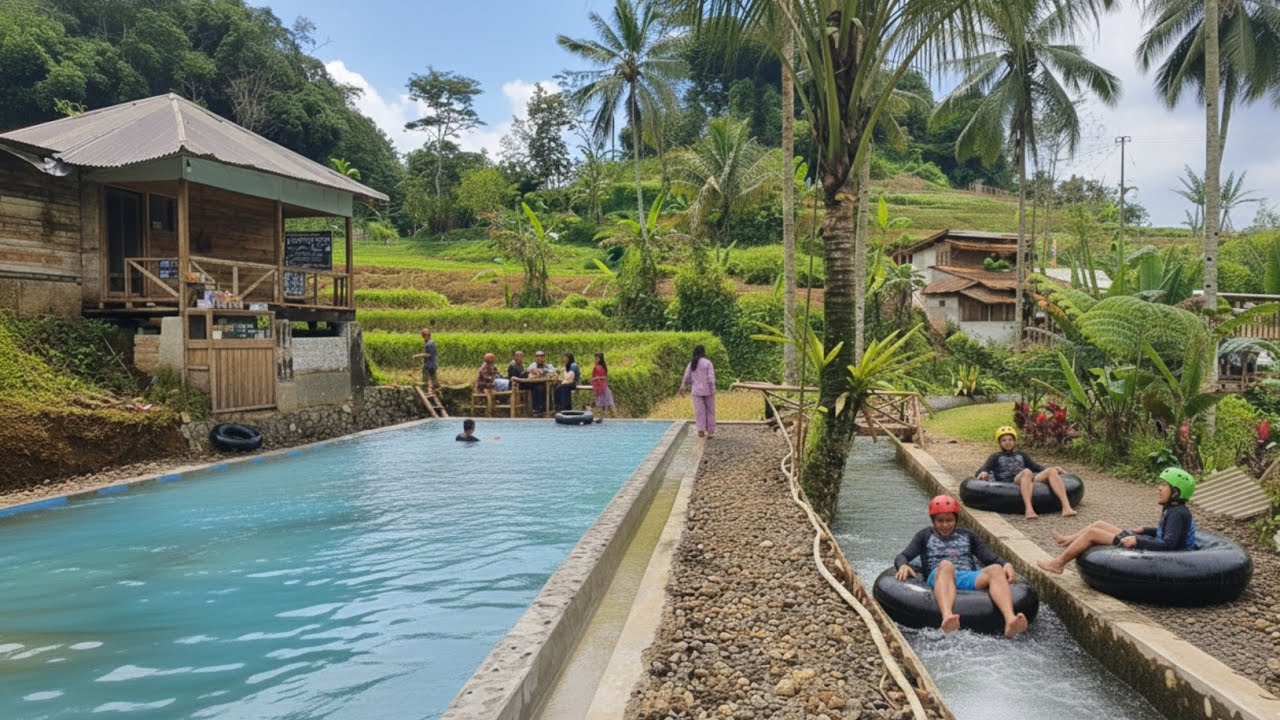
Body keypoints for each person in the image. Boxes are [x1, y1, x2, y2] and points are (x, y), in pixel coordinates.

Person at [895, 495, 1029, 638]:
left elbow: (989, 557)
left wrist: (1005, 564)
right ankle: (947, 617)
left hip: (966, 577)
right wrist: (902, 565)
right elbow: (903, 556)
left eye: (949, 520)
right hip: (940, 576)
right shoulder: (924, 535)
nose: (945, 525)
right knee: (947, 565)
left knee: (995, 568)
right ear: (933, 520)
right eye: (940, 521)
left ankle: (1010, 619)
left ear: (956, 520)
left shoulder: (968, 535)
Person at [1037, 467, 1198, 575]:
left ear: (1176, 492)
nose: (1159, 488)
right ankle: (1069, 539)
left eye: (1164, 485)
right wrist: (1146, 530)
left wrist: (1137, 540)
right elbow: (1167, 533)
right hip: (1152, 544)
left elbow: (1169, 545)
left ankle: (1058, 564)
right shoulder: (1173, 509)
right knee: (1099, 524)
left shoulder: (1177, 513)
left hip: (1160, 556)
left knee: (1093, 533)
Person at [976, 426, 1077, 520]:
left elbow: (1036, 467)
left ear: (1014, 441)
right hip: (1011, 483)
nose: (1007, 442)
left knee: (1050, 471)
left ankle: (1066, 507)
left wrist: (1054, 469)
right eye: (1004, 440)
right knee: (1027, 472)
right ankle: (1029, 509)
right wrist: (983, 473)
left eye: (1010, 440)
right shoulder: (995, 456)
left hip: (1027, 480)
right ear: (999, 443)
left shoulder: (1021, 455)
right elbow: (984, 469)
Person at [679, 344, 717, 438]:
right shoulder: (708, 363)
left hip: (696, 391)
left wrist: (683, 385)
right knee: (710, 411)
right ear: (704, 352)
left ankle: (701, 430)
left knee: (699, 411)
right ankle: (710, 432)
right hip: (708, 390)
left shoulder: (692, 363)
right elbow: (711, 378)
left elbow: (687, 376)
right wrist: (713, 389)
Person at [526, 350, 556, 416]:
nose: (539, 358)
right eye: (537, 356)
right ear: (535, 358)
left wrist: (542, 371)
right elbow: (528, 371)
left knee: (546, 388)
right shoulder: (533, 365)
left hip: (546, 384)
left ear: (544, 358)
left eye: (541, 356)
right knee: (537, 388)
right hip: (534, 384)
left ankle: (547, 408)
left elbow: (553, 372)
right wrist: (534, 372)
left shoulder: (548, 366)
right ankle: (536, 409)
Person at [412, 328, 438, 394]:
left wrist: (417, 356)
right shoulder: (432, 342)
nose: (424, 339)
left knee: (426, 379)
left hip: (428, 365)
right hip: (434, 364)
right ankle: (435, 392)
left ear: (426, 336)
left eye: (424, 337)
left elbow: (428, 355)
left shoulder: (428, 344)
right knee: (434, 379)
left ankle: (428, 392)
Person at [591, 352, 613, 422]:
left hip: (600, 387)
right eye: (595, 358)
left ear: (600, 359)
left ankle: (602, 417)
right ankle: (603, 417)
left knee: (601, 403)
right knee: (607, 403)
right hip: (604, 387)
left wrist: (595, 380)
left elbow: (594, 377)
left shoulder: (597, 368)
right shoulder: (604, 367)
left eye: (596, 358)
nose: (595, 360)